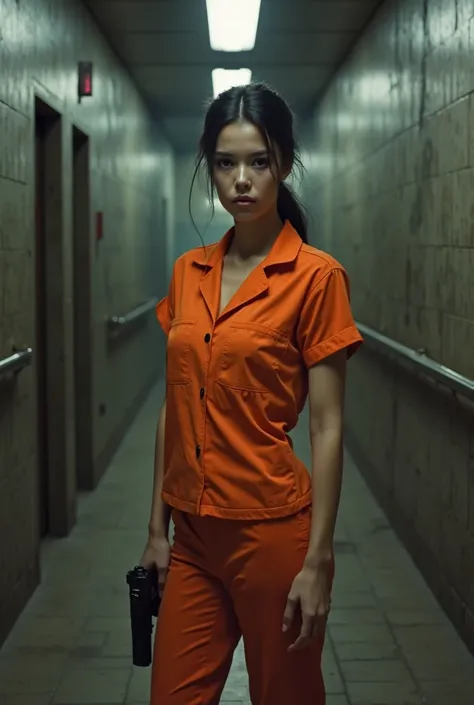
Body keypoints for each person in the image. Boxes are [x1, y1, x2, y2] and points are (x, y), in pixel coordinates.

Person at [140, 82, 363, 705]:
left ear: (285, 164)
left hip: (271, 537)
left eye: (259, 161)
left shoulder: (317, 278)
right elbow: (175, 405)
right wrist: (156, 528)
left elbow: (326, 429)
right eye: (225, 162)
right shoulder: (190, 271)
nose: (242, 179)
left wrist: (318, 561)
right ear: (208, 166)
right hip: (192, 540)